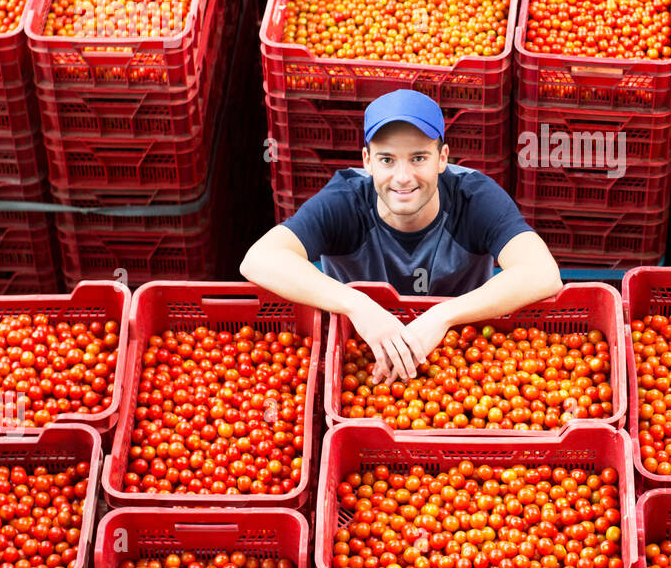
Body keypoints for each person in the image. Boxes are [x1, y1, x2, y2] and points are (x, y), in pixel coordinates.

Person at [240, 89, 563, 384]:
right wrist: (357, 306)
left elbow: (542, 273)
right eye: (387, 160)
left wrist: (443, 316)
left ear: (443, 158)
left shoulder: (474, 197)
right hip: (361, 354)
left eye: (419, 158)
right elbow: (260, 259)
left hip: (461, 357)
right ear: (367, 162)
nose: (403, 177)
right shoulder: (346, 200)